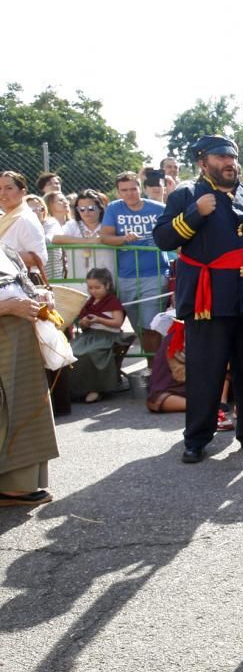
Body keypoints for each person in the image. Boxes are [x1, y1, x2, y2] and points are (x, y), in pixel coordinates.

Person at [153, 135, 243, 463]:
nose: (230, 163)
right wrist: (194, 214)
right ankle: (197, 438)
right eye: (221, 158)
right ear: (203, 163)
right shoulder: (186, 194)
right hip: (209, 299)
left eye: (232, 157)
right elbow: (163, 238)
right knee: (206, 370)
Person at [0, 245, 57, 508]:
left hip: (18, 334)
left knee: (24, 405)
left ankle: (16, 485)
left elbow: (18, 283)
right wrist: (8, 306)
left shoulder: (5, 248)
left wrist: (38, 295)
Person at [100, 171, 167, 354]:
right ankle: (151, 366)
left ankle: (154, 372)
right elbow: (105, 236)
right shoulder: (114, 208)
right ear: (118, 192)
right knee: (138, 326)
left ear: (140, 188)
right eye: (124, 190)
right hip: (126, 276)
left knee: (150, 325)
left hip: (155, 273)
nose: (129, 193)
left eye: (133, 189)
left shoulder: (159, 208)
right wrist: (123, 239)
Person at [68, 267, 129, 403]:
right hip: (90, 335)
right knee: (69, 353)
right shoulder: (90, 302)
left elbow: (118, 322)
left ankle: (95, 389)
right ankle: (74, 389)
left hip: (107, 336)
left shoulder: (112, 301)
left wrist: (99, 319)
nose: (93, 291)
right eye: (90, 288)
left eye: (97, 287)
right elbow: (83, 325)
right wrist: (84, 323)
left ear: (107, 285)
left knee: (91, 354)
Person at [52, 190, 114, 289]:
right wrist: (88, 242)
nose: (86, 212)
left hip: (106, 281)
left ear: (100, 208)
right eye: (82, 209)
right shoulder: (72, 225)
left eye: (91, 208)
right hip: (78, 281)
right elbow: (56, 239)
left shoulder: (109, 224)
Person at [0, 171, 49, 281]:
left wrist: (4, 255)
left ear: (23, 192)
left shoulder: (25, 219)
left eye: (9, 188)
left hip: (19, 286)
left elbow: (40, 258)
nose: (3, 193)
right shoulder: (4, 218)